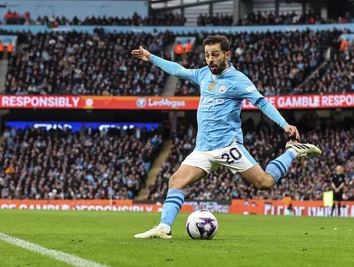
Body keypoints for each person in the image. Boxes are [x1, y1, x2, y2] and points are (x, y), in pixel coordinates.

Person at [131, 35, 322, 239]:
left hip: (228, 147)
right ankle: (164, 227)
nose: (210, 59)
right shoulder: (203, 74)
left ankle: (293, 151)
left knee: (265, 183)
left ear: (227, 55)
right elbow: (178, 70)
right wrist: (151, 57)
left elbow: (262, 102)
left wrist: (284, 124)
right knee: (176, 180)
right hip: (203, 149)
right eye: (207, 55)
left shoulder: (238, 80)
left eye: (215, 54)